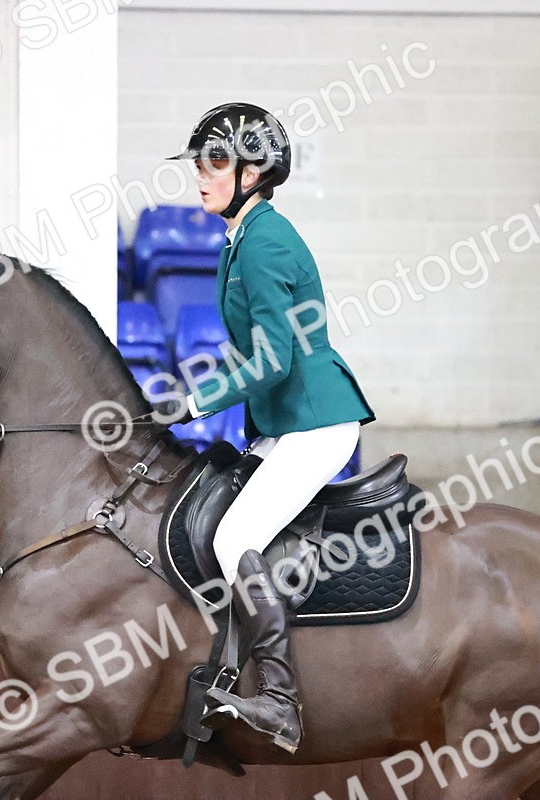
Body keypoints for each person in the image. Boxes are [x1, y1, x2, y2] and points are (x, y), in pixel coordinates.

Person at [152, 102, 376, 754]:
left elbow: (274, 359)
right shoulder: (241, 238)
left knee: (235, 537)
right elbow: (254, 353)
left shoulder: (265, 242)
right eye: (199, 163)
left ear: (253, 173)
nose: (200, 175)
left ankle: (280, 701)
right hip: (285, 423)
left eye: (215, 163)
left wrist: (198, 403)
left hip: (316, 423)